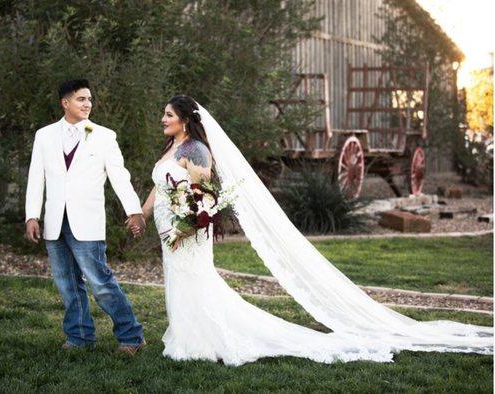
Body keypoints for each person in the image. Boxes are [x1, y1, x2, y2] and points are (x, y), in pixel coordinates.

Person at [134, 94, 493, 367]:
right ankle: (185, 333)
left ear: (184, 119)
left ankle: (200, 340)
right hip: (169, 229)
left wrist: (186, 226)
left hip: (188, 231)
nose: (162, 119)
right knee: (178, 280)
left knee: (196, 279)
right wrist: (143, 213)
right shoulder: (172, 147)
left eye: (168, 114)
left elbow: (204, 197)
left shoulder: (197, 150)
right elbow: (159, 185)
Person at [25, 79, 147, 355]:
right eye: (81, 99)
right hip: (55, 222)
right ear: (65, 103)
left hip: (87, 222)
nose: (88, 104)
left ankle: (132, 337)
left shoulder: (104, 136)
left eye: (89, 99)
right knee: (67, 284)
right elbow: (36, 178)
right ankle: (79, 337)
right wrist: (32, 215)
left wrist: (134, 210)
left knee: (101, 283)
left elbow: (120, 176)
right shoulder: (44, 136)